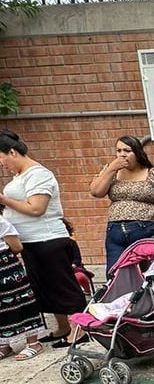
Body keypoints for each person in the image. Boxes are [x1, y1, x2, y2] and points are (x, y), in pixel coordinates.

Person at [0, 129, 86, 347]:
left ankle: (79, 329)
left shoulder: (39, 174)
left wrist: (3, 199)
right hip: (30, 241)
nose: (3, 165)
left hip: (48, 239)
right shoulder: (19, 176)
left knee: (62, 285)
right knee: (45, 287)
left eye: (2, 159)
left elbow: (37, 208)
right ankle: (62, 327)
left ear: (12, 152)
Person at [89, 135, 154, 272]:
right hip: (116, 230)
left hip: (147, 228)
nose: (122, 155)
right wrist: (111, 169)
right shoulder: (111, 172)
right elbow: (96, 192)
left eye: (127, 151)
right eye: (119, 151)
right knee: (116, 274)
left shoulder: (152, 172)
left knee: (152, 274)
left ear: (137, 152)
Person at [0, 210, 45, 360]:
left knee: (20, 301)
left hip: (7, 269)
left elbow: (17, 246)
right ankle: (4, 345)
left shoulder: (2, 222)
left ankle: (33, 343)